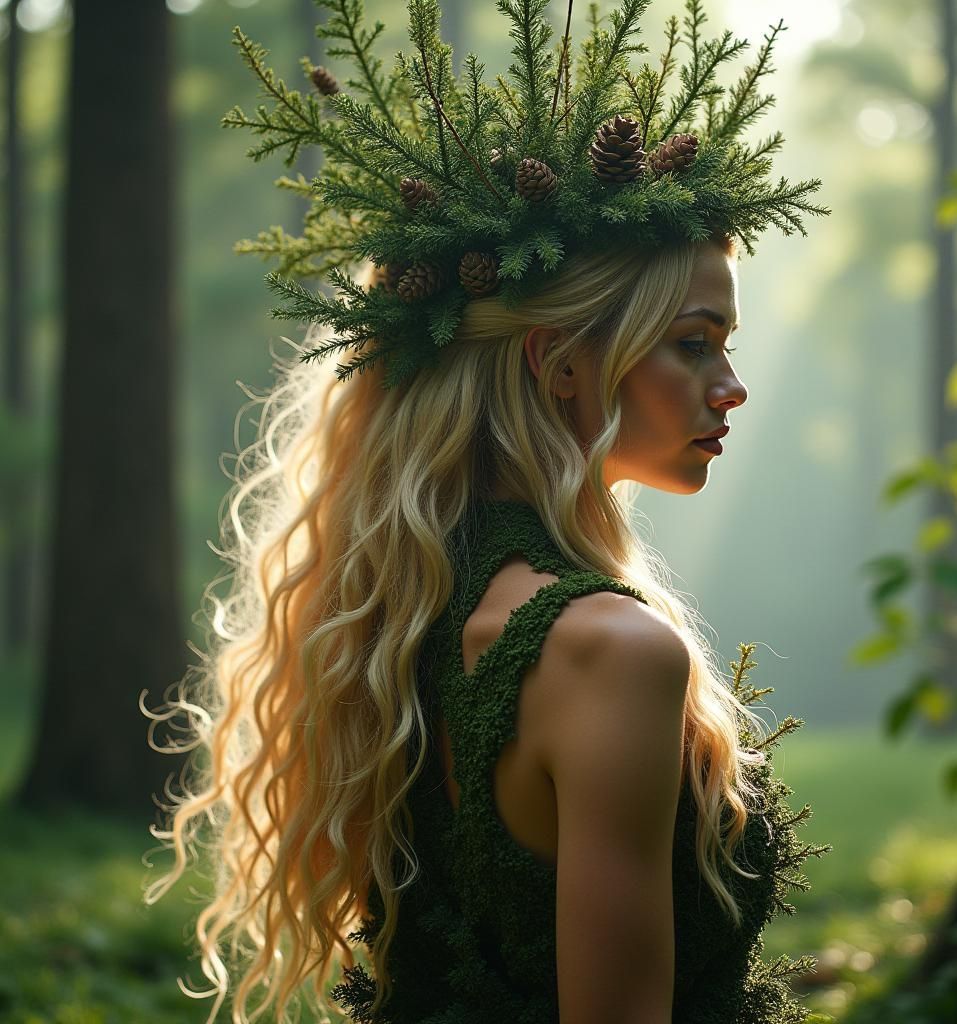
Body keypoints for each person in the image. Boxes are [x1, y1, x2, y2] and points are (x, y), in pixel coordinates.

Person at [142, 0, 831, 1021]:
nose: (731, 388)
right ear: (560, 364)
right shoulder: (608, 652)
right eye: (693, 343)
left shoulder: (398, 614)